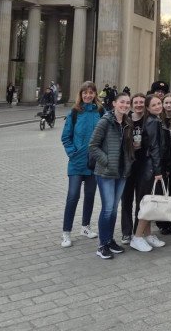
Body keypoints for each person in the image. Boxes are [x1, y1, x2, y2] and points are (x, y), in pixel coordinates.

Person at [88, 92, 134, 259]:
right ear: (114, 103)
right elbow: (93, 146)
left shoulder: (127, 122)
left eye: (127, 103)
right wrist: (106, 160)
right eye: (122, 102)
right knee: (107, 209)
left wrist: (129, 159)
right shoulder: (105, 122)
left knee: (114, 209)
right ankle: (102, 245)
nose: (125, 105)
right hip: (106, 172)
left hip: (122, 172)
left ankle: (109, 240)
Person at [59, 81, 103, 247]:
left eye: (91, 93)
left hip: (94, 163)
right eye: (85, 93)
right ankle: (66, 232)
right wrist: (72, 152)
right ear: (81, 94)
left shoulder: (100, 111)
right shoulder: (74, 112)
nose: (88, 95)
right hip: (77, 163)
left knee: (90, 195)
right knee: (73, 196)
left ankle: (85, 226)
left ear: (95, 94)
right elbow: (66, 136)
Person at [120, 93, 162, 245]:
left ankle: (140, 232)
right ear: (131, 104)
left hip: (143, 165)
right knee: (126, 199)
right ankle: (126, 232)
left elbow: (153, 146)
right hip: (128, 165)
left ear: (145, 105)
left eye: (141, 102)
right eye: (135, 102)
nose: (138, 104)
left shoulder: (149, 120)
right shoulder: (126, 119)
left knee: (142, 200)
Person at [129, 95, 167, 253]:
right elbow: (154, 147)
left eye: (159, 103)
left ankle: (148, 235)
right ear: (148, 108)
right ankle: (137, 237)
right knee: (147, 204)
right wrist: (158, 171)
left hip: (150, 167)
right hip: (150, 168)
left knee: (150, 203)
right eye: (154, 105)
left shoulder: (154, 120)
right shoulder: (152, 122)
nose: (158, 106)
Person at [157, 93, 171, 235]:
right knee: (162, 192)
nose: (169, 105)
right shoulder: (158, 120)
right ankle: (162, 222)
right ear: (162, 104)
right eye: (166, 103)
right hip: (163, 161)